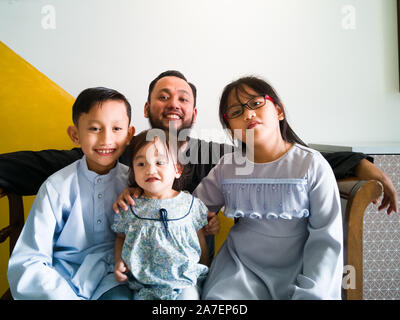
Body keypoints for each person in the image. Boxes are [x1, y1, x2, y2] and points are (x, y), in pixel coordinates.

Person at [0, 71, 397, 258]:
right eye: (162, 95)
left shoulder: (216, 157)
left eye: (183, 98)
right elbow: (44, 164)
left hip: (190, 266)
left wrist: (361, 164)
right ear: (147, 109)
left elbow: (283, 155)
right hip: (118, 262)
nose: (173, 103)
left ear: (193, 111)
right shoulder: (117, 148)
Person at [194, 76, 343, 299]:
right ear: (231, 129)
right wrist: (205, 219)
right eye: (236, 112)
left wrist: (313, 292)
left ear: (279, 111)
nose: (248, 114)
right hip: (238, 272)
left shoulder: (311, 165)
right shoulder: (228, 167)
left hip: (298, 272)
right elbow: (190, 208)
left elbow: (326, 239)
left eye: (255, 103)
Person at [7, 87, 136, 300]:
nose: (106, 139)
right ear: (75, 135)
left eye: (116, 129)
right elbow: (29, 259)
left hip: (114, 279)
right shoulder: (56, 187)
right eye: (95, 129)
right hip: (62, 280)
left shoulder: (134, 184)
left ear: (129, 135)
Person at [112, 130, 209, 300]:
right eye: (141, 164)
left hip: (184, 282)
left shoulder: (190, 205)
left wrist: (204, 270)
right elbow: (121, 237)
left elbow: (201, 242)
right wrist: (119, 261)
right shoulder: (130, 205)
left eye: (160, 162)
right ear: (133, 171)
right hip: (143, 285)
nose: (150, 169)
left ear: (177, 169)